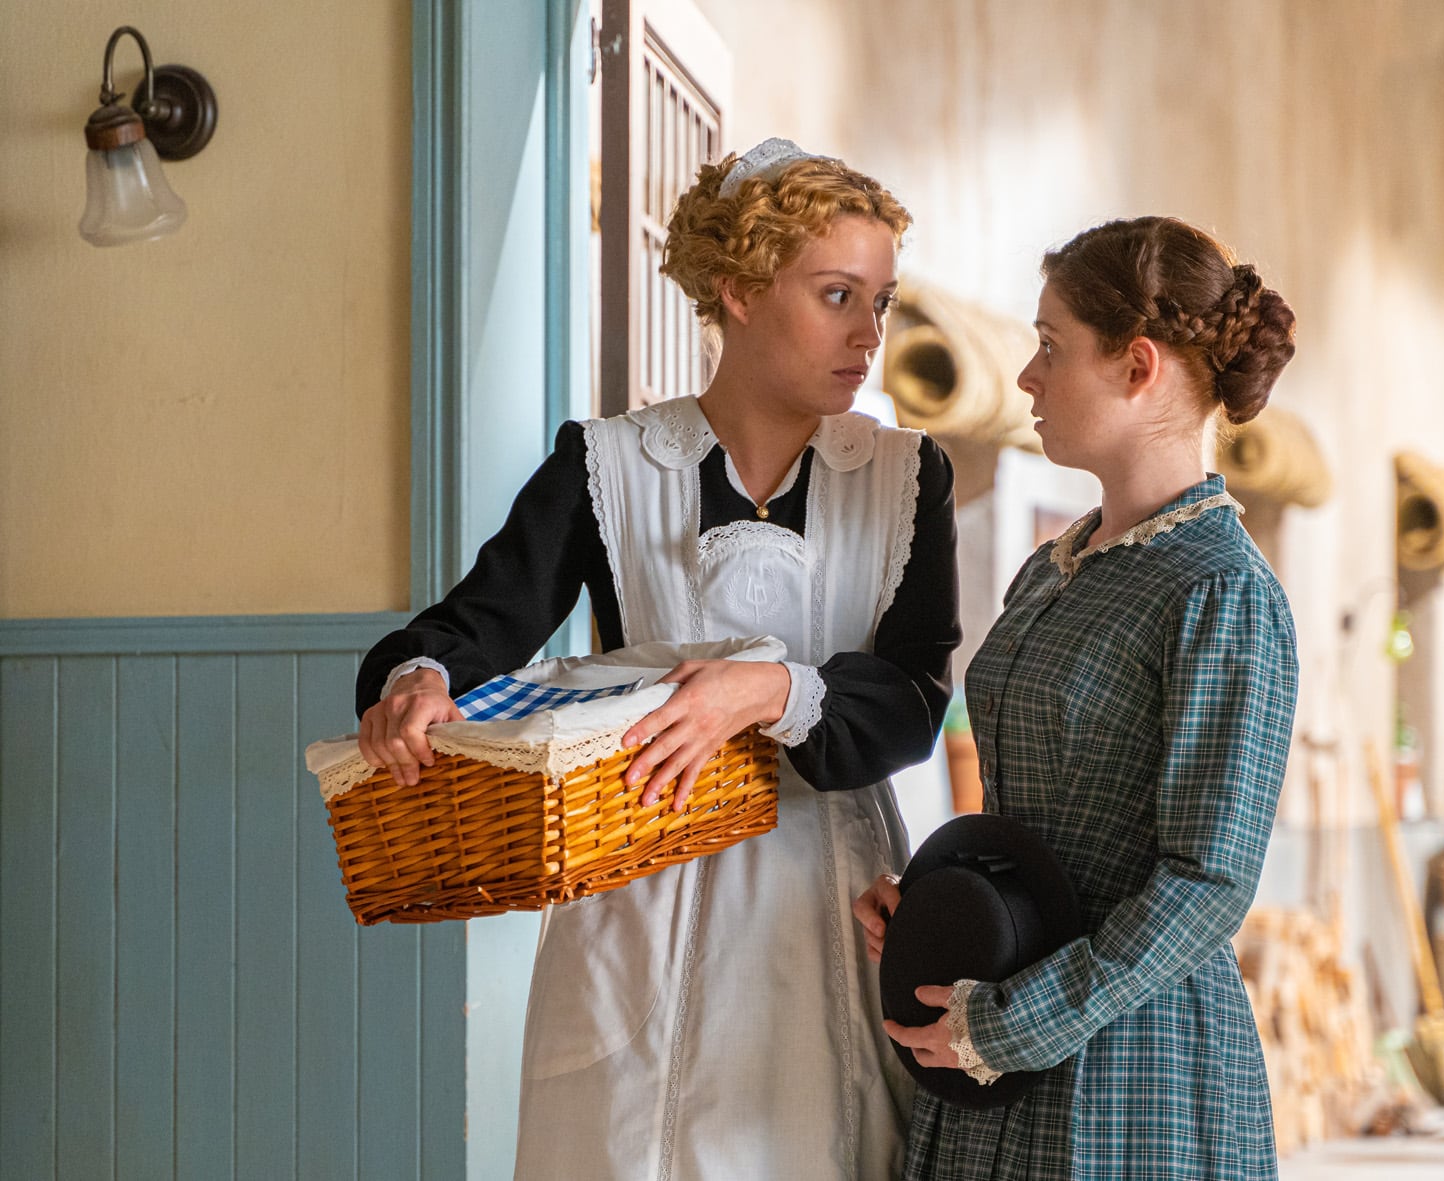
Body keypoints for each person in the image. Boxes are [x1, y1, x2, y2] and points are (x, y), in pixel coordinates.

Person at [355, 138, 960, 1180]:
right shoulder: (605, 464)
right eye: (835, 295)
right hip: (635, 894)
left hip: (829, 903)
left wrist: (767, 688)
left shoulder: (907, 477)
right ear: (735, 289)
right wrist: (415, 677)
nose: (868, 335)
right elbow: (473, 626)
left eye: (880, 299)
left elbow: (912, 700)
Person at [854, 216, 1300, 1179]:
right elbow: (1030, 824)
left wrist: (1015, 1021)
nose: (1027, 377)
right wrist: (949, 904)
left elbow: (1206, 885)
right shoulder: (1048, 571)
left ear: (1138, 366)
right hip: (997, 1038)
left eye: (1051, 347)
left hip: (1132, 1068)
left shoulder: (1221, 590)